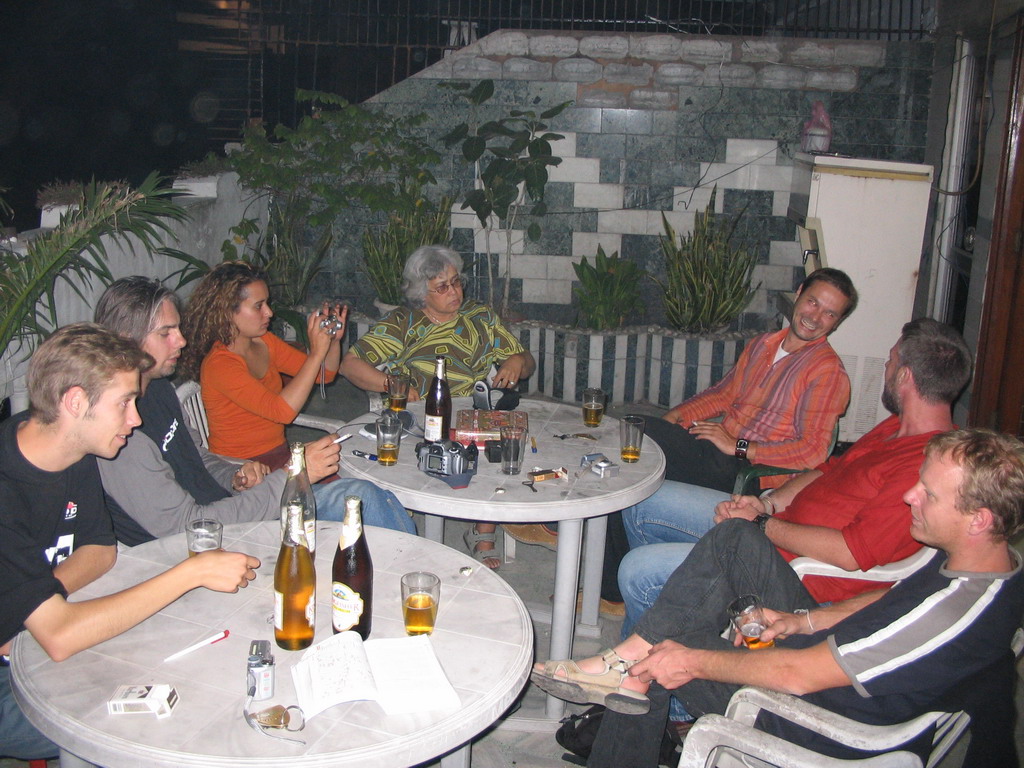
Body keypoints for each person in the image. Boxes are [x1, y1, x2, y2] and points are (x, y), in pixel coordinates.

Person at [532, 429, 1024, 767]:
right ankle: (627, 660)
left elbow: (797, 675)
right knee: (736, 540)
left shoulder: (950, 614)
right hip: (824, 660)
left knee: (664, 655)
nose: (909, 497)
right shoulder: (979, 567)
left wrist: (694, 661)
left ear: (979, 518)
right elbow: (883, 601)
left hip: (819, 718)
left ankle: (627, 672)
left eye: (929, 494)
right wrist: (801, 621)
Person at [506, 267, 857, 608]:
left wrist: (739, 446)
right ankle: (606, 582)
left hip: (749, 475)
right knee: (633, 447)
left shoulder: (826, 373)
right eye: (813, 302)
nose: (815, 316)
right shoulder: (766, 343)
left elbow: (813, 453)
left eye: (829, 314)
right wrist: (672, 420)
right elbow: (722, 394)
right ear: (798, 295)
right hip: (720, 452)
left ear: (837, 323)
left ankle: (588, 561)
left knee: (636, 437)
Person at [0, 324, 259, 759]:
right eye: (124, 403)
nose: (135, 419)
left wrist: (34, 605)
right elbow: (61, 637)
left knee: (186, 660)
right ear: (75, 402)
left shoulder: (73, 447)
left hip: (32, 638)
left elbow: (101, 552)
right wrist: (189, 572)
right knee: (149, 716)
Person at [619, 318, 974, 632]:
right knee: (645, 501)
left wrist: (759, 525)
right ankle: (677, 624)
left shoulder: (926, 469)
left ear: (905, 377)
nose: (886, 365)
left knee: (640, 570)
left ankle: (657, 678)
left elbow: (850, 553)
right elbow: (826, 469)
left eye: (891, 359)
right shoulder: (895, 427)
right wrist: (768, 504)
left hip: (793, 576)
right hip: (772, 528)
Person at [94, 277, 416, 544]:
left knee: (367, 495)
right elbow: (186, 526)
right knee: (360, 498)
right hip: (213, 538)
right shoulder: (119, 431)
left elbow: (198, 458)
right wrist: (294, 474)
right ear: (126, 341)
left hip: (238, 494)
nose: (181, 340)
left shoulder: (159, 390)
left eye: (178, 328)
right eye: (166, 333)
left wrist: (235, 476)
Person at [340, 245, 536, 569]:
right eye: (441, 287)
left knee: (503, 442)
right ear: (422, 293)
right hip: (419, 414)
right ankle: (407, 523)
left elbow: (526, 361)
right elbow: (350, 364)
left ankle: (482, 530)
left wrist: (517, 361)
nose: (454, 292)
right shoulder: (404, 322)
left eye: (456, 282)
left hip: (470, 410)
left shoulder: (480, 317)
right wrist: (394, 385)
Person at [177, 261, 347, 470]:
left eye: (267, 303)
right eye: (259, 306)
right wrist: (316, 353)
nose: (269, 313)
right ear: (227, 312)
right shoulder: (220, 365)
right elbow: (282, 412)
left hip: (278, 456)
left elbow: (325, 375)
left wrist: (333, 341)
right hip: (240, 468)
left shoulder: (265, 341)